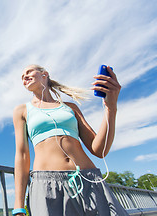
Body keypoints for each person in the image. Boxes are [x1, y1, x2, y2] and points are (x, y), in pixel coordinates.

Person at [12, 64, 128, 216]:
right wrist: (18, 206)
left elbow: (100, 150)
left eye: (28, 72)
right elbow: (22, 156)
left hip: (89, 180)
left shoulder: (70, 107)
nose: (24, 77)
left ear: (44, 74)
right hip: (47, 186)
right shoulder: (22, 110)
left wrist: (110, 107)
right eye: (22, 77)